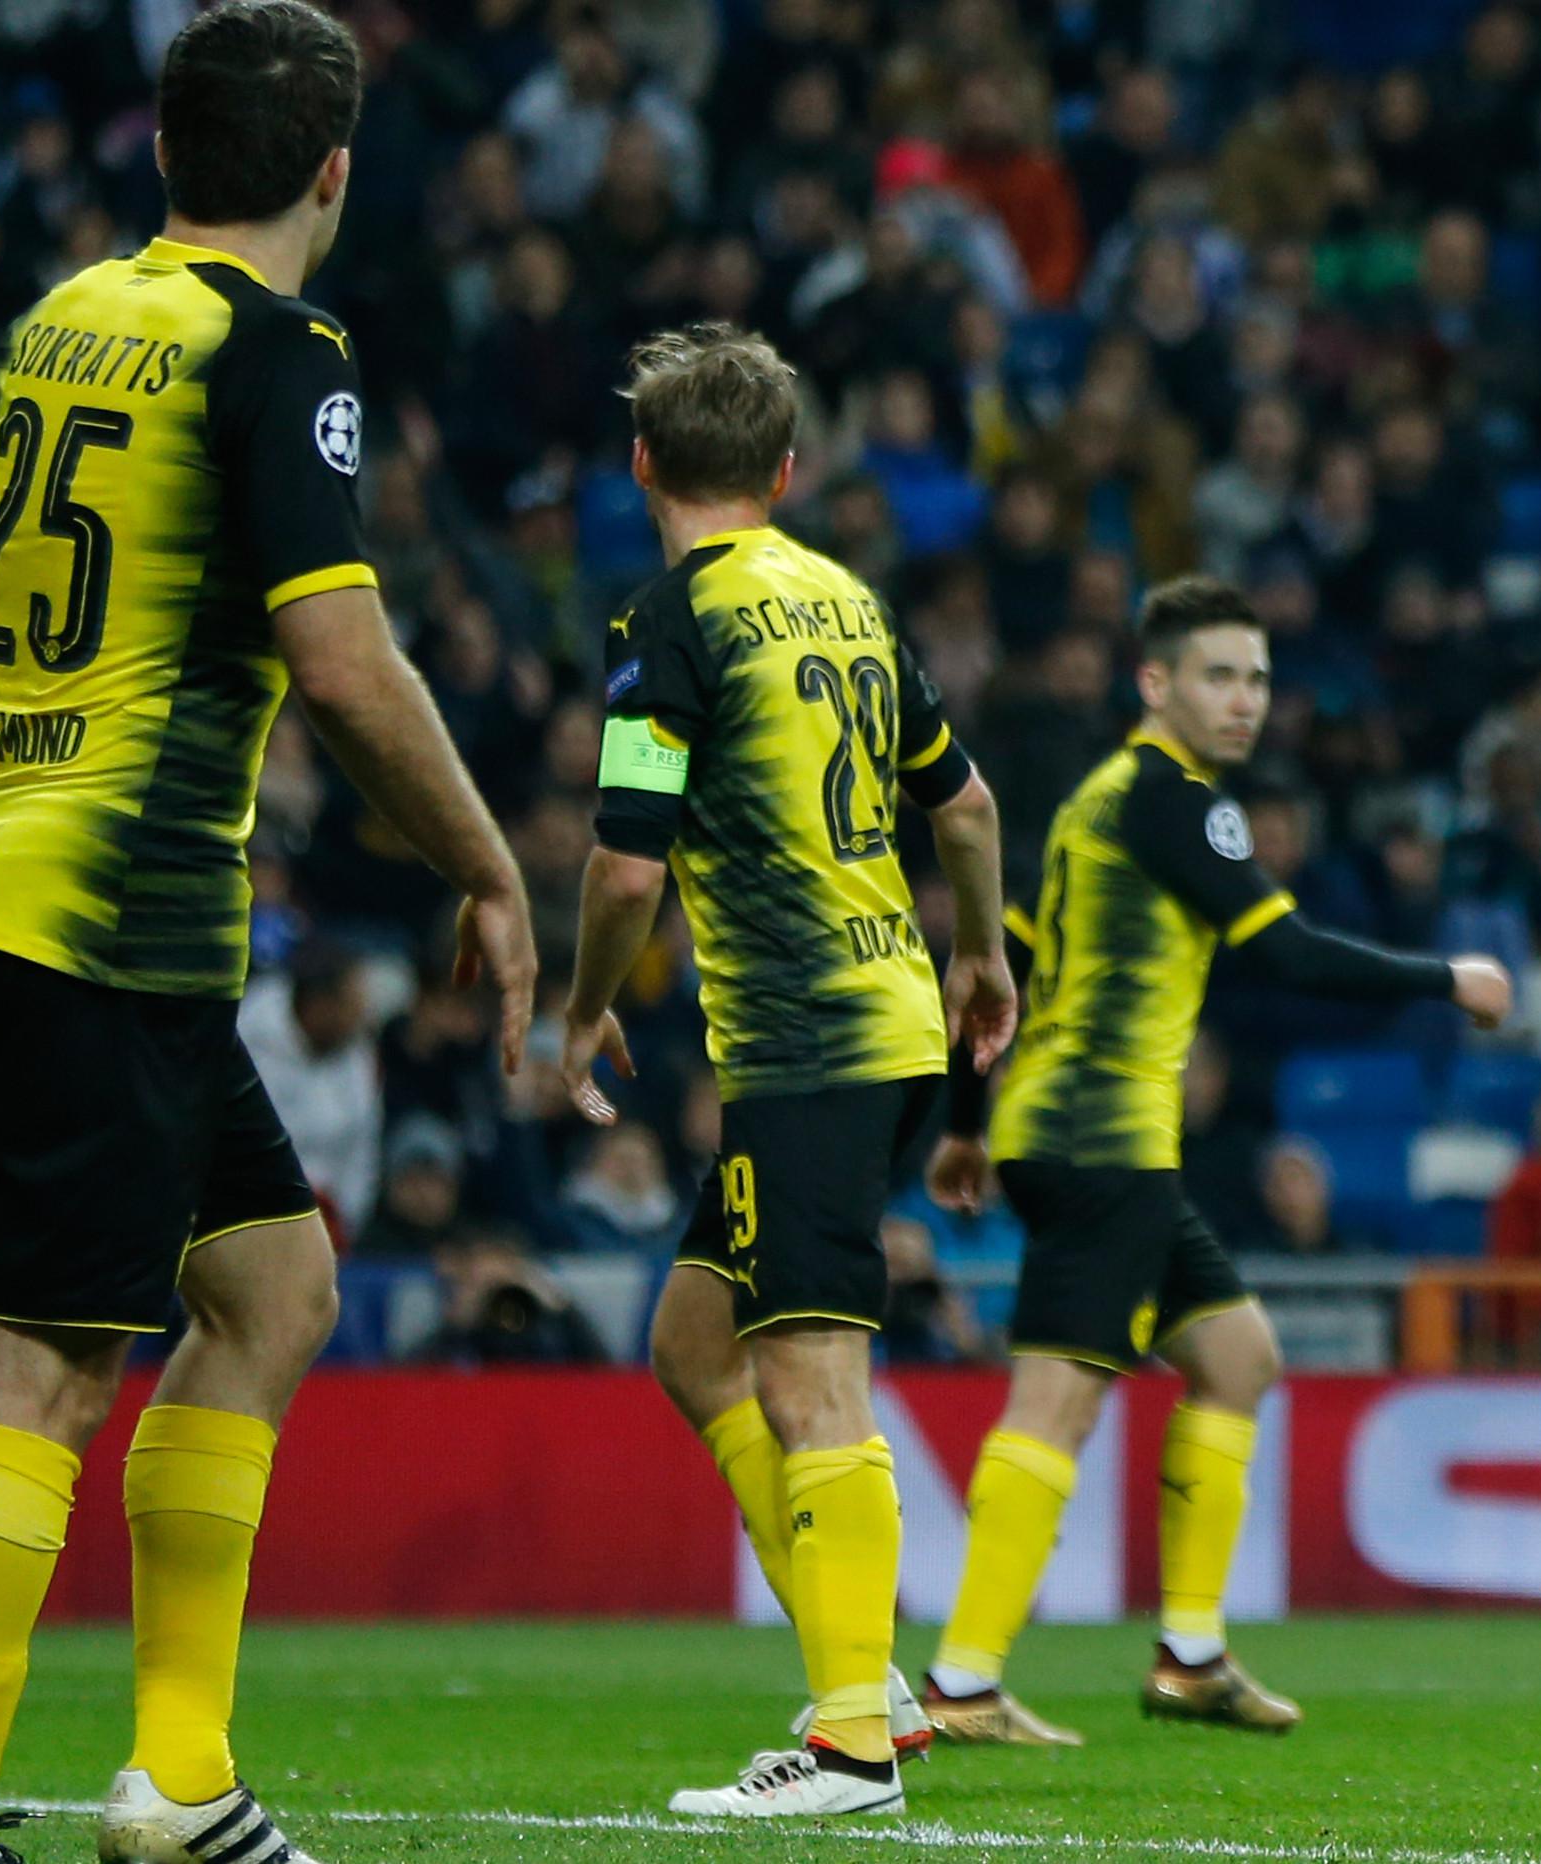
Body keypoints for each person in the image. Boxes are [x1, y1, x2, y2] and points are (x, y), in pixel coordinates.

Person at [0, 8, 537, 1863]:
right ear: (332, 168)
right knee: (43, 1370)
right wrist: (487, 861)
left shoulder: (63, 321)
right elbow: (339, 658)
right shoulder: (279, 349)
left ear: (168, 155)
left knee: (273, 1288)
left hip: (27, 876)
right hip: (111, 910)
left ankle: (174, 1778)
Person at [551, 320, 1013, 1819]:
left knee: (814, 1378)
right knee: (698, 1342)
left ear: (643, 467)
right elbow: (970, 805)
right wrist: (984, 958)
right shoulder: (851, 605)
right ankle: (860, 1669)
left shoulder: (667, 622)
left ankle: (849, 1751)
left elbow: (627, 873)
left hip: (807, 1040)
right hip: (891, 1023)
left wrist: (582, 1008)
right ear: (788, 470)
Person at [920, 574, 1510, 1744]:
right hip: (1100, 1137)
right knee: (1058, 1397)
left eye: (1256, 679)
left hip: (1068, 1133)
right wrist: (1447, 978)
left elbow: (994, 973)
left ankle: (1190, 1655)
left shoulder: (1096, 802)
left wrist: (963, 1124)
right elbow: (1283, 952)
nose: (1243, 701)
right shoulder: (1172, 799)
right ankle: (960, 1681)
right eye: (1217, 676)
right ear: (1156, 683)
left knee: (1238, 1358)